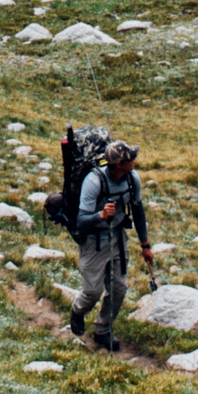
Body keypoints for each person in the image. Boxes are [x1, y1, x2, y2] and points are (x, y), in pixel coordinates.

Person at [66, 140, 152, 351]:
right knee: (92, 293)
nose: (134, 159)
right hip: (93, 243)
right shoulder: (93, 182)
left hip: (117, 240)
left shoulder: (132, 179)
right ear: (119, 164)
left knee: (119, 288)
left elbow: (138, 211)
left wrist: (145, 245)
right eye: (130, 158)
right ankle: (78, 310)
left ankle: (103, 330)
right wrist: (100, 215)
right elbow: (81, 221)